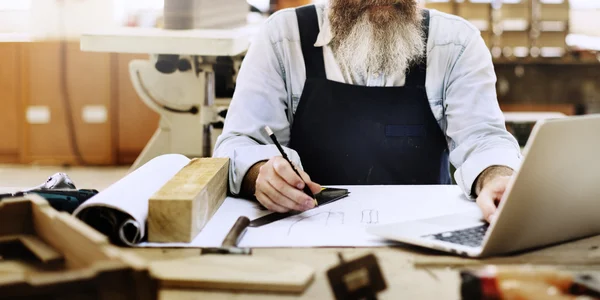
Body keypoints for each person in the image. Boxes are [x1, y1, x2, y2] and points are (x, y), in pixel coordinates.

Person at [213, 0, 522, 223]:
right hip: (304, 231)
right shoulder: (283, 38)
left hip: (421, 235)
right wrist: (261, 172)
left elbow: (484, 140)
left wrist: (497, 177)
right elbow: (239, 143)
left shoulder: (456, 43)